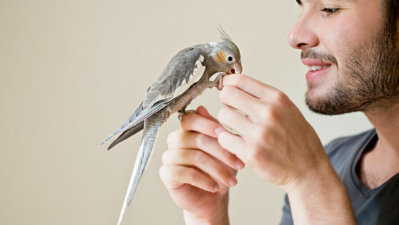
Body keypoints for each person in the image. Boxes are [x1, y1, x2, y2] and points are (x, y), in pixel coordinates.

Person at [159, 0, 399, 224]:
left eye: (329, 8)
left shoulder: (313, 170)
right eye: (301, 7)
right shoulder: (332, 160)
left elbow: (309, 178)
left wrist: (310, 181)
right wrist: (208, 216)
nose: (294, 36)